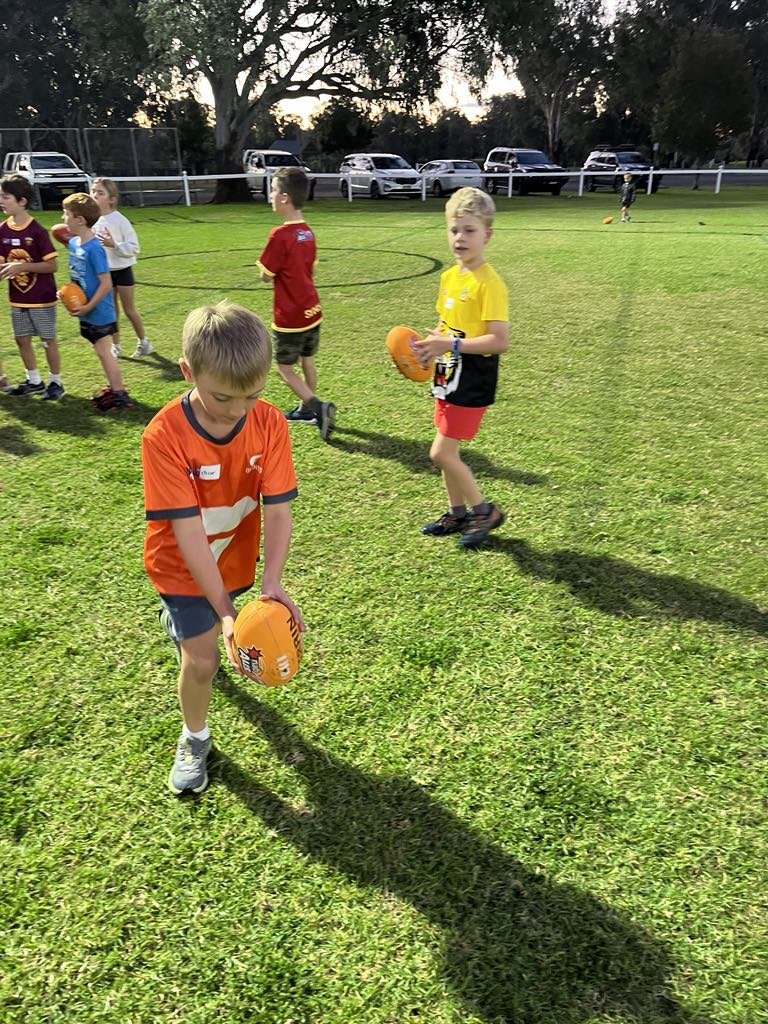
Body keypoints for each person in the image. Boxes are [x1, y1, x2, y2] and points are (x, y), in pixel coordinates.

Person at [141, 301, 304, 795]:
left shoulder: (269, 423)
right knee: (204, 660)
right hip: (181, 566)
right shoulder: (163, 437)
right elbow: (188, 533)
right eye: (222, 397)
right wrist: (228, 611)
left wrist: (271, 581)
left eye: (252, 396)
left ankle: (191, 623)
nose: (237, 410)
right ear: (187, 372)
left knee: (212, 629)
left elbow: (278, 509)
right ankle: (195, 738)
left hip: (234, 558)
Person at [410, 187, 508, 549]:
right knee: (447, 453)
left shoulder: (489, 283)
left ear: (487, 234)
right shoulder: (450, 277)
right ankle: (457, 513)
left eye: (469, 230)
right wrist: (431, 346)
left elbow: (499, 340)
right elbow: (447, 324)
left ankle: (485, 511)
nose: (460, 238)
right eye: (454, 230)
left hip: (473, 377)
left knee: (441, 453)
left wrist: (449, 345)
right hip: (447, 373)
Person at [257, 165, 336, 441]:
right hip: (312, 310)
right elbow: (310, 269)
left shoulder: (279, 235)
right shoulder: (308, 232)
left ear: (284, 197)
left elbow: (266, 275)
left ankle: (318, 407)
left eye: (273, 190)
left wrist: (268, 273)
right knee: (307, 360)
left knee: (284, 368)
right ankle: (305, 409)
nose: (269, 195)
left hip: (290, 316)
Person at [61, 193, 134, 411]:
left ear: (80, 220)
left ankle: (119, 394)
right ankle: (114, 387)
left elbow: (105, 283)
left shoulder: (94, 248)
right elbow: (76, 276)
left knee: (104, 352)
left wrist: (89, 306)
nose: (63, 218)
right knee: (100, 352)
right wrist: (66, 294)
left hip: (100, 311)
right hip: (86, 309)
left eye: (66, 214)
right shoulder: (73, 244)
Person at [0, 174, 65, 400]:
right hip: (18, 299)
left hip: (41, 299)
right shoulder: (2, 230)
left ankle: (56, 382)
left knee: (47, 341)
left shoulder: (37, 231)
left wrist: (21, 267)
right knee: (22, 340)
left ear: (22, 201)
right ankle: (34, 380)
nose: (1, 201)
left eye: (5, 197)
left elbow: (52, 265)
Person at [90, 177, 152, 358]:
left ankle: (144, 343)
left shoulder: (120, 220)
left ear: (111, 199)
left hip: (123, 271)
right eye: (93, 191)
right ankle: (116, 346)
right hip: (105, 273)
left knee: (129, 310)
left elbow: (134, 248)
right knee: (111, 312)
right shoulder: (92, 220)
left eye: (100, 193)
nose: (95, 195)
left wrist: (114, 245)